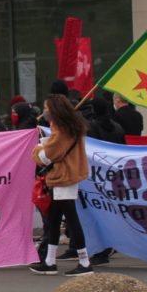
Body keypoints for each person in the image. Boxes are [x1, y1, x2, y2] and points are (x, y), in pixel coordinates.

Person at [29, 95, 92, 276]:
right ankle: (49, 261)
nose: (45, 111)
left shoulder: (62, 130)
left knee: (71, 221)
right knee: (55, 220)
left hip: (63, 178)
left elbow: (47, 156)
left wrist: (37, 150)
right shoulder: (72, 127)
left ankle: (84, 261)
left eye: (46, 108)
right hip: (66, 177)